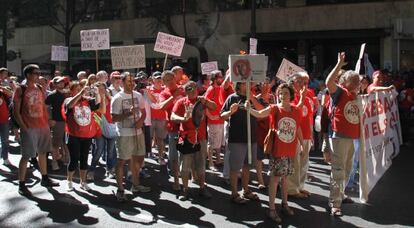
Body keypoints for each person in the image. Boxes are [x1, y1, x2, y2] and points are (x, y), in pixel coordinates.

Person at [248, 83, 305, 223]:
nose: (282, 95)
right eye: (280, 93)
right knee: (275, 179)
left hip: (290, 149)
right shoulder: (274, 109)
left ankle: (284, 204)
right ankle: (272, 209)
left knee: (284, 178)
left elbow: (297, 129)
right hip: (278, 150)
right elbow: (260, 114)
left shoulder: (296, 110)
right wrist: (249, 109)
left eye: (285, 93)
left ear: (291, 95)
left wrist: (302, 145)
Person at [13, 64, 59, 196]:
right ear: (28, 75)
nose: (39, 75)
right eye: (36, 73)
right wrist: (23, 126)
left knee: (43, 152)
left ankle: (44, 178)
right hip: (29, 127)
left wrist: (48, 120)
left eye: (39, 72)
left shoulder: (39, 88)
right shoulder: (20, 89)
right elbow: (16, 112)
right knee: (26, 156)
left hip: (42, 126)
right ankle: (21, 184)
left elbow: (43, 107)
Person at [325, 52, 361, 216]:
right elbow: (328, 82)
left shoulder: (356, 95)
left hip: (351, 137)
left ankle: (340, 194)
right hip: (339, 137)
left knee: (347, 170)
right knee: (338, 171)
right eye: (354, 80)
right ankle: (335, 203)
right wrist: (339, 64)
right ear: (345, 81)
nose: (357, 83)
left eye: (358, 80)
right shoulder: (339, 92)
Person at [171, 81, 216, 200]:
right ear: (185, 91)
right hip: (184, 138)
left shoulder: (202, 100)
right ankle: (185, 190)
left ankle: (202, 188)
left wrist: (206, 101)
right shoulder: (181, 102)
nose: (193, 91)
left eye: (195, 88)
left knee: (201, 164)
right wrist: (183, 118)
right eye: (190, 89)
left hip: (200, 138)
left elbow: (215, 107)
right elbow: (172, 116)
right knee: (184, 166)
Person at [220, 81, 262, 204]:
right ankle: (234, 193)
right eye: (245, 82)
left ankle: (246, 190)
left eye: (250, 82)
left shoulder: (253, 97)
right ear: (239, 85)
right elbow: (222, 115)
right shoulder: (232, 98)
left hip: (251, 138)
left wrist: (252, 98)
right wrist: (231, 112)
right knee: (235, 168)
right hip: (237, 138)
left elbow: (261, 112)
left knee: (247, 166)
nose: (249, 84)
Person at [111, 72, 151, 202]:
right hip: (124, 134)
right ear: (122, 82)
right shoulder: (117, 98)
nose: (132, 83)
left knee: (138, 159)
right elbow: (114, 118)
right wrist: (128, 113)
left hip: (138, 133)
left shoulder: (138, 95)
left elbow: (144, 112)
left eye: (133, 81)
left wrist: (141, 121)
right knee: (122, 161)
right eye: (129, 81)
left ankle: (135, 184)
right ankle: (120, 189)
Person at [63, 81, 101, 191]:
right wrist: (80, 93)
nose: (80, 90)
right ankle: (69, 180)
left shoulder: (87, 101)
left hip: (86, 135)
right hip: (73, 134)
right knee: (74, 159)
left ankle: (83, 181)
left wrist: (97, 93)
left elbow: (97, 104)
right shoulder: (68, 100)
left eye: (81, 88)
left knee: (84, 159)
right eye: (77, 88)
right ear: (72, 91)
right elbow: (70, 105)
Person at [287, 72, 313, 199]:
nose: (303, 84)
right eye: (300, 81)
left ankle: (300, 187)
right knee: (295, 163)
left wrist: (311, 135)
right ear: (292, 83)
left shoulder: (306, 97)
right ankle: (291, 189)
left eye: (305, 82)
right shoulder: (289, 97)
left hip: (306, 135)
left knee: (303, 164)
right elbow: (295, 113)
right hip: (296, 136)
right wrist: (302, 98)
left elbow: (308, 118)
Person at [159, 70, 185, 191]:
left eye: (171, 79)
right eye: (167, 80)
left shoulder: (183, 89)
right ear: (163, 82)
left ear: (175, 78)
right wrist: (173, 96)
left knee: (186, 153)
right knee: (174, 156)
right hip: (173, 129)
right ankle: (175, 181)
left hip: (186, 128)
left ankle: (193, 178)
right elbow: (162, 106)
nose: (170, 82)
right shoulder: (164, 93)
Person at [204, 70, 233, 171]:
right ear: (214, 78)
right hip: (213, 121)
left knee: (218, 143)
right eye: (220, 77)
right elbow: (205, 104)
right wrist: (210, 117)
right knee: (212, 143)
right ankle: (211, 163)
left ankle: (218, 160)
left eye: (222, 76)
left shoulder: (220, 88)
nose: (222, 78)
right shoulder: (211, 89)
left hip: (221, 120)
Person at [87, 82, 117, 180]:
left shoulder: (110, 98)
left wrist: (108, 96)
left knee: (111, 151)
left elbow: (116, 105)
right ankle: (91, 170)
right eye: (99, 89)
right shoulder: (94, 100)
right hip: (99, 129)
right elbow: (100, 110)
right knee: (99, 150)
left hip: (112, 127)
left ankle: (110, 170)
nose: (101, 91)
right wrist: (101, 97)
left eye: (103, 89)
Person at [254, 77, 275, 189]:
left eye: (267, 84)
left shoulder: (272, 97)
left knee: (273, 157)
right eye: (263, 84)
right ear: (260, 86)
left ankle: (273, 181)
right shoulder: (256, 99)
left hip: (271, 131)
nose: (266, 86)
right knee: (259, 157)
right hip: (260, 131)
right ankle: (260, 181)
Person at [45, 76, 69, 171]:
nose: (61, 84)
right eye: (59, 82)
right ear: (55, 84)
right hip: (57, 121)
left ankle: (65, 159)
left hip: (67, 121)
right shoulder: (52, 95)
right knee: (56, 143)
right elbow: (45, 107)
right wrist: (49, 119)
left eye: (62, 82)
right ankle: (54, 161)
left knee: (66, 142)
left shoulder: (67, 94)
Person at [148, 71, 168, 165]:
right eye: (156, 78)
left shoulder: (165, 90)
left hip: (162, 118)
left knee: (160, 139)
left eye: (160, 78)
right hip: (150, 118)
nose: (159, 80)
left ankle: (161, 157)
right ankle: (149, 155)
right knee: (150, 138)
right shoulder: (148, 89)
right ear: (153, 79)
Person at [0, 68, 12, 165]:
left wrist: (3, 88)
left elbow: (11, 94)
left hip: (4, 119)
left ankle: (5, 158)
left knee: (5, 140)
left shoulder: (3, 89)